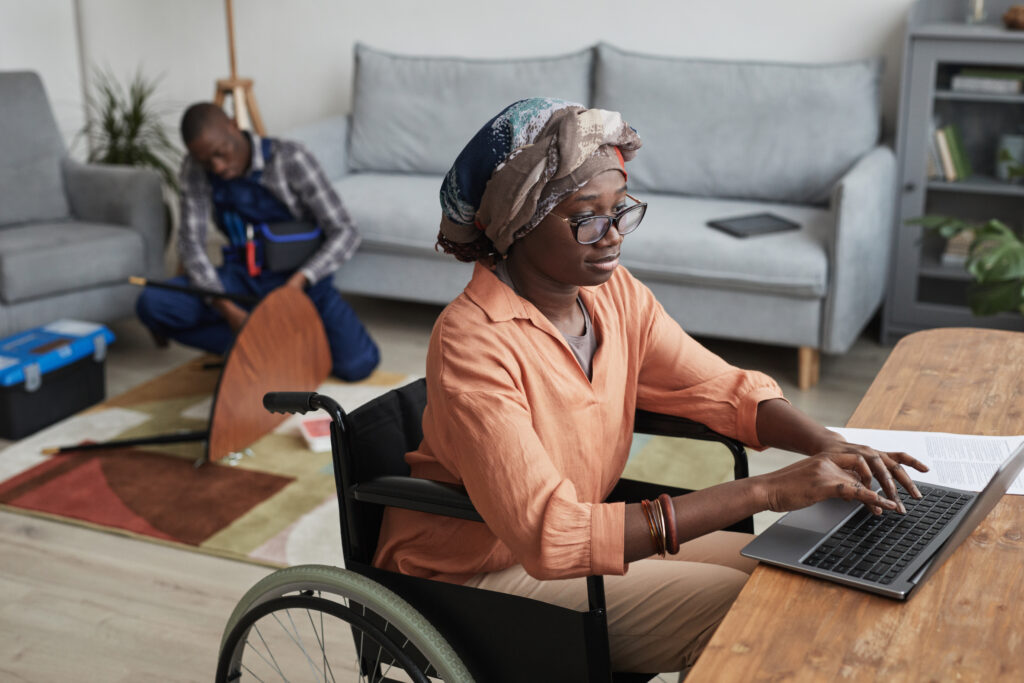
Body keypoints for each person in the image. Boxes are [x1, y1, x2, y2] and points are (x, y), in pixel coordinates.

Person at [371, 98, 928, 675]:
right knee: (754, 612)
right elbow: (552, 536)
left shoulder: (616, 295)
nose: (612, 236)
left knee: (796, 575)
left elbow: (721, 389)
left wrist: (828, 445)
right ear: (520, 223)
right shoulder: (473, 340)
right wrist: (765, 492)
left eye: (622, 211)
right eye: (587, 217)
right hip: (477, 574)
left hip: (582, 538)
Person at [136, 103, 379, 381]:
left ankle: (279, 343)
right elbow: (191, 245)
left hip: (300, 282)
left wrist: (300, 281)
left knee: (358, 364)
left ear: (232, 125)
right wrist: (227, 309)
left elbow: (345, 230)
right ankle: (262, 347)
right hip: (242, 279)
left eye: (220, 153)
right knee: (153, 304)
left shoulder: (290, 159)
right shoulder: (195, 168)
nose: (216, 166)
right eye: (206, 161)